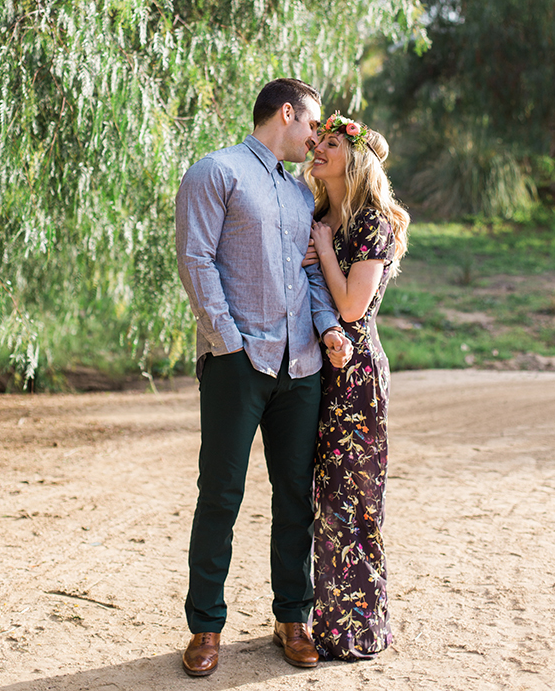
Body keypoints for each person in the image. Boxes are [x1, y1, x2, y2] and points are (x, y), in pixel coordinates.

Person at [175, 79, 353, 678]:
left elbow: (307, 279)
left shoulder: (302, 196)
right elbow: (195, 259)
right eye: (312, 125)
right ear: (287, 113)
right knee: (221, 496)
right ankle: (205, 627)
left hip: (301, 366)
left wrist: (328, 327)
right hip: (237, 365)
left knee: (295, 499)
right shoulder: (215, 172)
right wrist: (227, 343)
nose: (316, 137)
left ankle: (291, 619)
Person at [302, 111, 409, 661]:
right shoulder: (321, 214)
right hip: (315, 366)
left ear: (356, 158)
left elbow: (350, 306)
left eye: (329, 144)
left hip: (357, 373)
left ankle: (358, 629)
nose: (316, 149)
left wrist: (320, 250)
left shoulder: (371, 224)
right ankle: (320, 622)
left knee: (353, 498)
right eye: (315, 141)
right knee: (321, 498)